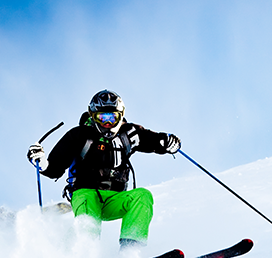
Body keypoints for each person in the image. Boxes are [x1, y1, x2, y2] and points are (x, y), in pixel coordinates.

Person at [27, 90, 181, 249]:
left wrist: (168, 142)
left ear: (121, 115)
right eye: (101, 118)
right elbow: (54, 168)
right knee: (88, 209)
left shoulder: (129, 134)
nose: (107, 124)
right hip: (85, 195)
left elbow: (154, 141)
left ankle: (130, 253)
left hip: (115, 198)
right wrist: (42, 163)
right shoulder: (79, 135)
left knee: (142, 196)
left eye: (112, 118)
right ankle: (82, 255)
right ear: (92, 116)